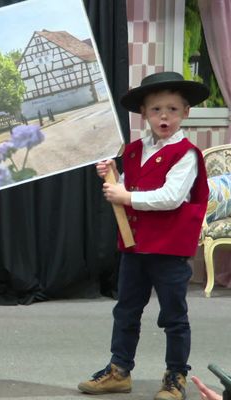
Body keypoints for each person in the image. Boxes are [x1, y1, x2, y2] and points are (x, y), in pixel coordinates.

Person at [77, 71, 210, 400]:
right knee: (126, 311)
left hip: (169, 250)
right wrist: (113, 173)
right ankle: (119, 370)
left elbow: (170, 197)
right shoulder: (134, 150)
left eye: (172, 109)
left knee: (173, 316)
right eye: (156, 110)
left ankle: (175, 375)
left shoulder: (187, 154)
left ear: (185, 113)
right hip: (135, 248)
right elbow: (132, 184)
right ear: (144, 114)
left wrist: (125, 197)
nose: (164, 116)